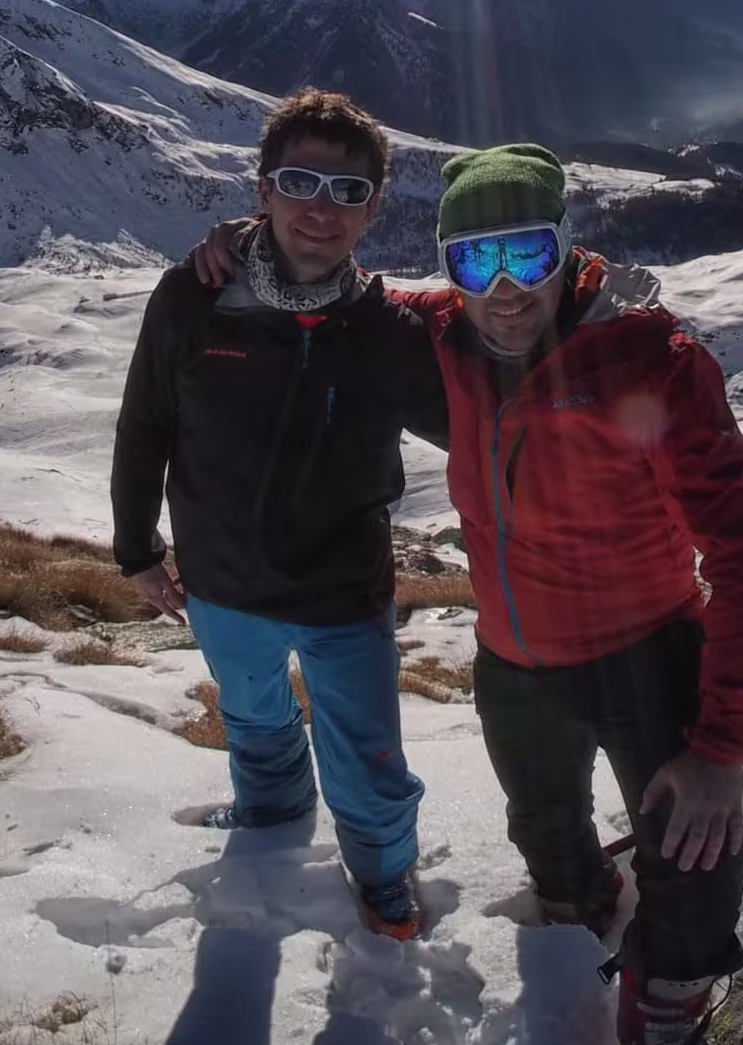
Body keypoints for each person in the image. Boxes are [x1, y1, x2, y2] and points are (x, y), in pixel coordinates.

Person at [192, 143, 743, 1044]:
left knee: (696, 852)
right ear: (449, 268)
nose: (505, 287)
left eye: (528, 254)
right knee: (548, 845)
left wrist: (720, 748)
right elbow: (336, 291)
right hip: (516, 669)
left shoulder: (652, 362)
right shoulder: (439, 333)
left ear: (566, 246)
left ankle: (670, 996)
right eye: (476, 261)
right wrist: (255, 242)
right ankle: (579, 912)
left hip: (649, 652)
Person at [110, 90, 449, 942]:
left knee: (367, 756)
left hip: (344, 590)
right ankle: (271, 821)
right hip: (221, 581)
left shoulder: (388, 331)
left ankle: (383, 873)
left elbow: (475, 425)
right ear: (262, 190)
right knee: (255, 720)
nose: (320, 209)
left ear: (374, 208)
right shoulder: (190, 298)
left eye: (347, 191)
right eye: (299, 182)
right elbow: (146, 423)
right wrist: (136, 547)